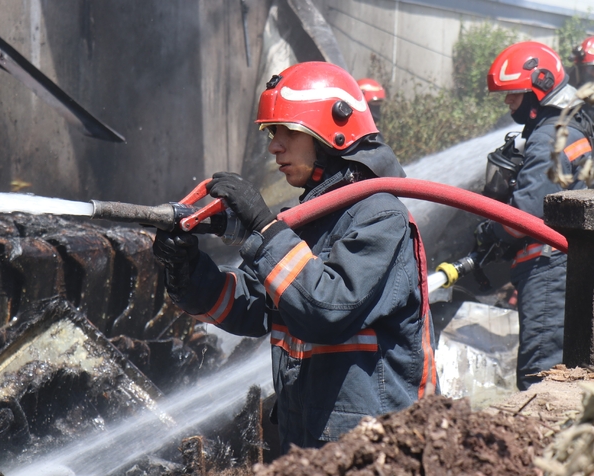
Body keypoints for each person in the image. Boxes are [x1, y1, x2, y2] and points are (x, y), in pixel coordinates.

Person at [152, 61, 438, 452]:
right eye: (272, 132)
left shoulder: (380, 215)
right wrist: (186, 269)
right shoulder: (310, 219)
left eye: (288, 131)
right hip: (309, 446)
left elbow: (326, 308)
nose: (274, 145)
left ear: (331, 133)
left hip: (373, 451)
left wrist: (265, 229)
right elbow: (251, 305)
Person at [480, 41, 594, 390]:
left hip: (547, 269)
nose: (508, 102)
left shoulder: (550, 135)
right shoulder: (570, 126)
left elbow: (526, 214)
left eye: (514, 94)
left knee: (540, 377)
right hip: (562, 265)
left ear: (540, 86)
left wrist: (492, 232)